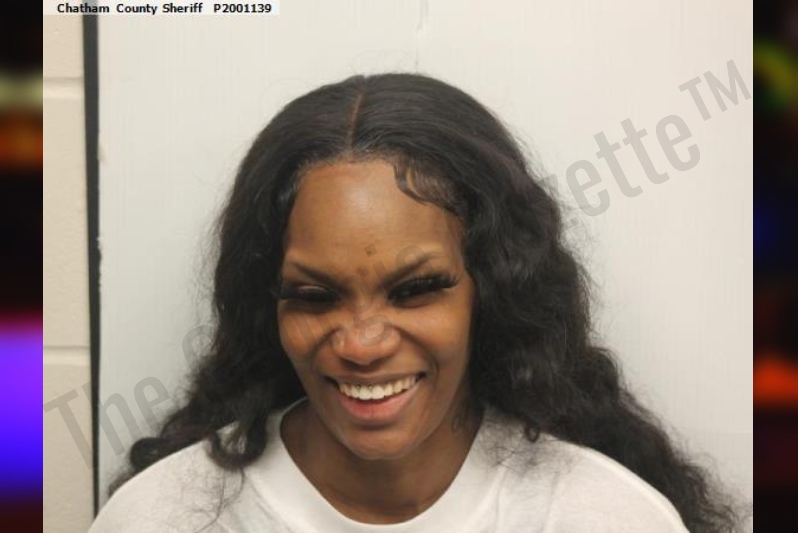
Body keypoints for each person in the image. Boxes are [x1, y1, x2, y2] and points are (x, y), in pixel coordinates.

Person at [89, 73, 742, 533]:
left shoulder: (602, 517)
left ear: (492, 290)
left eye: (415, 290)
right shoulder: (162, 518)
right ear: (269, 308)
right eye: (315, 296)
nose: (362, 343)